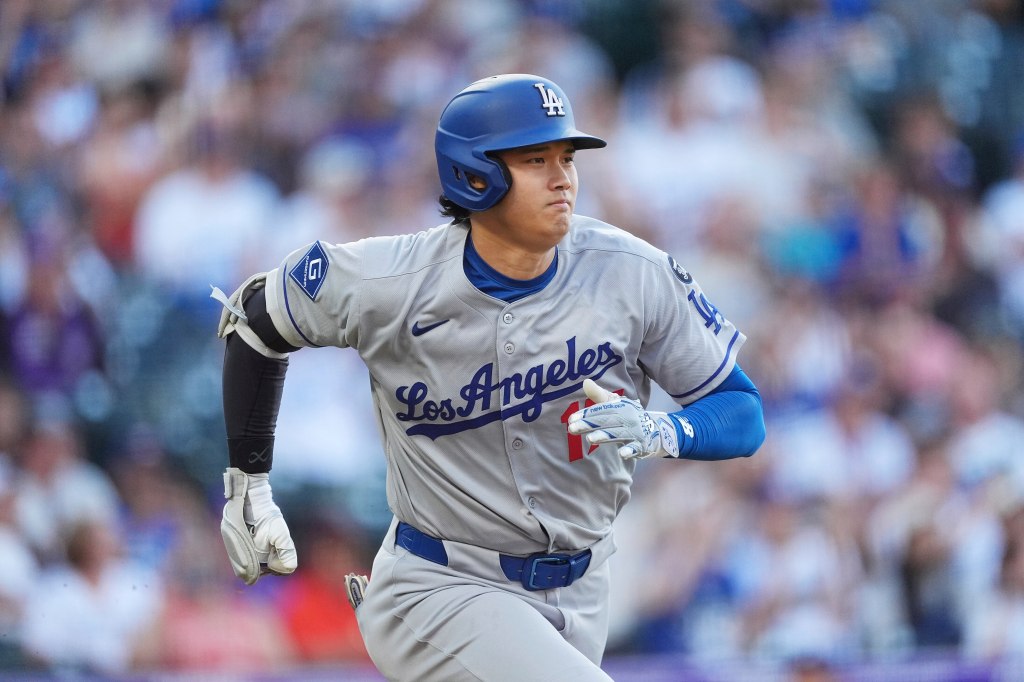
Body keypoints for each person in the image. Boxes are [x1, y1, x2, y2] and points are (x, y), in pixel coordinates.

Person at [212, 74, 766, 681]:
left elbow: (742, 410)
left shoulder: (630, 271)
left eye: (567, 158)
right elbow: (252, 320)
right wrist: (249, 484)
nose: (563, 178)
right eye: (536, 160)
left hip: (583, 589)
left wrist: (665, 431)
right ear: (474, 176)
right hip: (438, 585)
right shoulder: (388, 280)